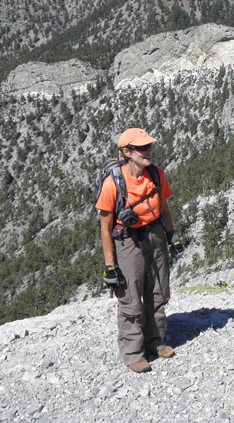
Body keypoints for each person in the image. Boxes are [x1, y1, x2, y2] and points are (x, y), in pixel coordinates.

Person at [96, 127, 177, 373]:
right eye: (142, 147)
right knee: (130, 296)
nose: (148, 151)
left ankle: (155, 340)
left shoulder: (156, 174)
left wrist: (172, 236)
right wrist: (110, 266)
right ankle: (132, 352)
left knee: (158, 289)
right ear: (126, 152)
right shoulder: (113, 184)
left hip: (155, 235)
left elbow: (163, 208)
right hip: (126, 240)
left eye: (149, 146)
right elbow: (105, 227)